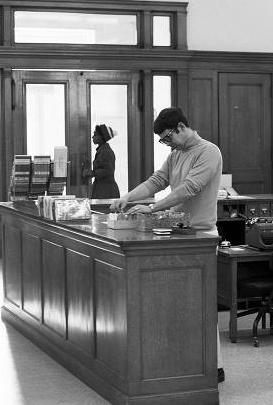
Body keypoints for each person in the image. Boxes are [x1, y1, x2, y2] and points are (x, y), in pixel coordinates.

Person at [109, 107, 225, 382]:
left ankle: (213, 366)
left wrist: (152, 209)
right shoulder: (175, 154)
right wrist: (128, 197)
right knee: (178, 304)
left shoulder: (209, 152)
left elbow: (189, 188)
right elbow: (157, 181)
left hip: (201, 236)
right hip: (177, 234)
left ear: (182, 127)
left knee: (201, 305)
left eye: (167, 137)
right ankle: (183, 362)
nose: (166, 143)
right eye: (163, 140)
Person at [84, 124, 120, 199]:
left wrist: (93, 173)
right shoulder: (101, 150)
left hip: (107, 192)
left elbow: (108, 171)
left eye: (95, 135)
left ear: (101, 137)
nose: (92, 137)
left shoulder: (106, 152)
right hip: (101, 189)